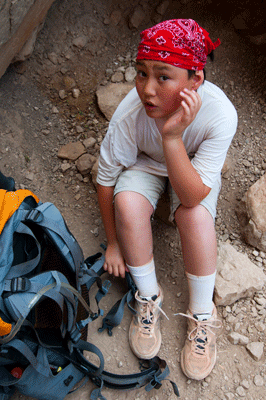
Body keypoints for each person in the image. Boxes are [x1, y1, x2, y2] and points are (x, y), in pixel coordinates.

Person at [96, 19, 238, 381]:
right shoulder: (131, 114)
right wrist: (113, 243)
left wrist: (172, 138)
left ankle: (202, 315)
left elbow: (192, 195)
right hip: (146, 164)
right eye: (141, 73)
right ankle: (148, 296)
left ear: (196, 80)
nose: (146, 89)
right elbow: (106, 179)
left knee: (194, 216)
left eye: (163, 76)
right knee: (127, 203)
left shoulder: (219, 114)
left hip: (190, 170)